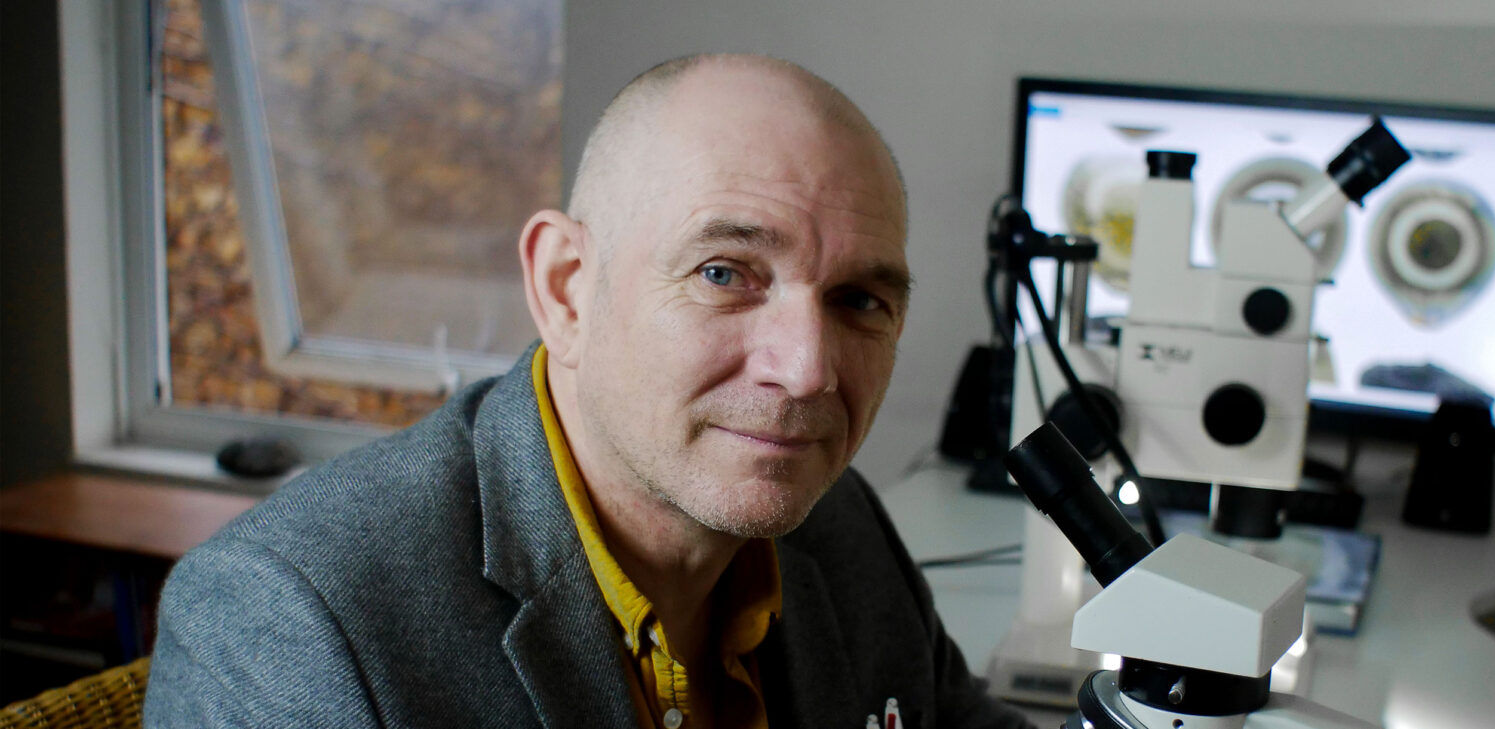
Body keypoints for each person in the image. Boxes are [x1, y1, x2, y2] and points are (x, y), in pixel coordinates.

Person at [144, 54, 1035, 729]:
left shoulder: (838, 524)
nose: (806, 371)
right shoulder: (291, 622)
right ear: (567, 286)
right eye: (725, 272)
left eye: (860, 300)